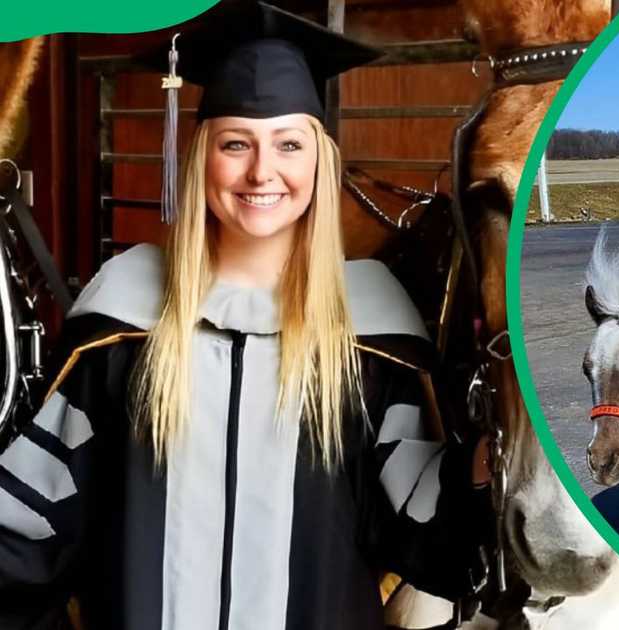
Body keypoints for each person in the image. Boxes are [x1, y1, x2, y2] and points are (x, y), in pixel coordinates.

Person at [0, 2, 491, 628]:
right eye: (237, 144)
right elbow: (28, 527)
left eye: (289, 143)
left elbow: (425, 530)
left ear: (319, 159)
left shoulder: (369, 338)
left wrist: (490, 453)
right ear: (201, 156)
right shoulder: (125, 326)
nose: (263, 171)